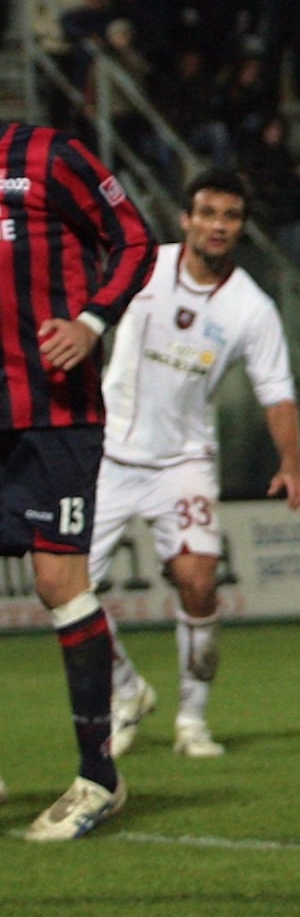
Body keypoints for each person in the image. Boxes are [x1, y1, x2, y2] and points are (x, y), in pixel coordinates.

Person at [92, 171, 300, 759]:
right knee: (66, 587)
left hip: (183, 461)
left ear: (241, 226)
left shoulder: (251, 308)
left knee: (197, 581)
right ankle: (126, 689)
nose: (218, 225)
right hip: (107, 453)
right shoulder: (141, 268)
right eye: (208, 213)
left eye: (231, 216)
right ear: (186, 219)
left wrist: (292, 463)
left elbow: (278, 391)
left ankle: (192, 719)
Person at [0, 121, 156, 840]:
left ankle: (99, 774)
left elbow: (134, 239)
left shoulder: (47, 154)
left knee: (59, 583)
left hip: (53, 413)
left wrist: (93, 321)